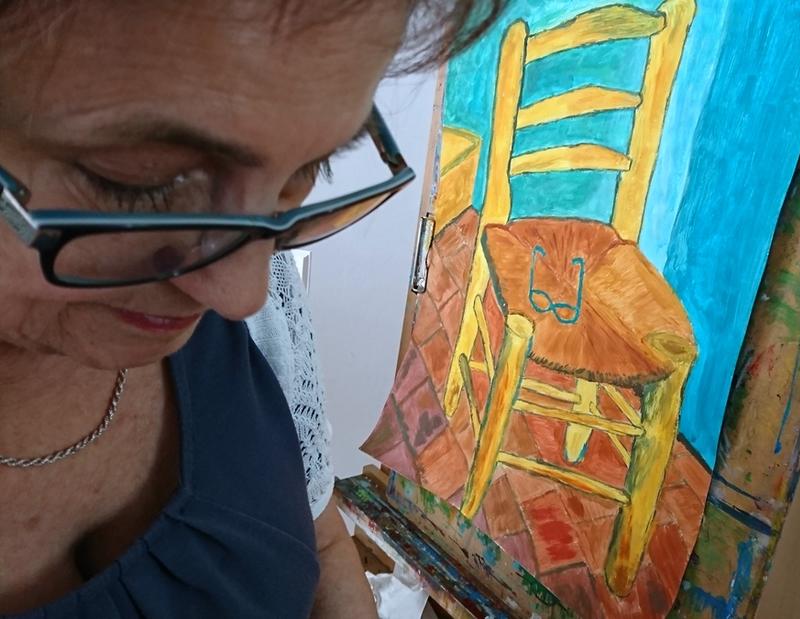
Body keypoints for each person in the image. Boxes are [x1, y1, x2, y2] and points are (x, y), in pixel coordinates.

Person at [0, 1, 504, 616]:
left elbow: (321, 538)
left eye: (307, 170)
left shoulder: (265, 299)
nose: (245, 293)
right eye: (139, 181)